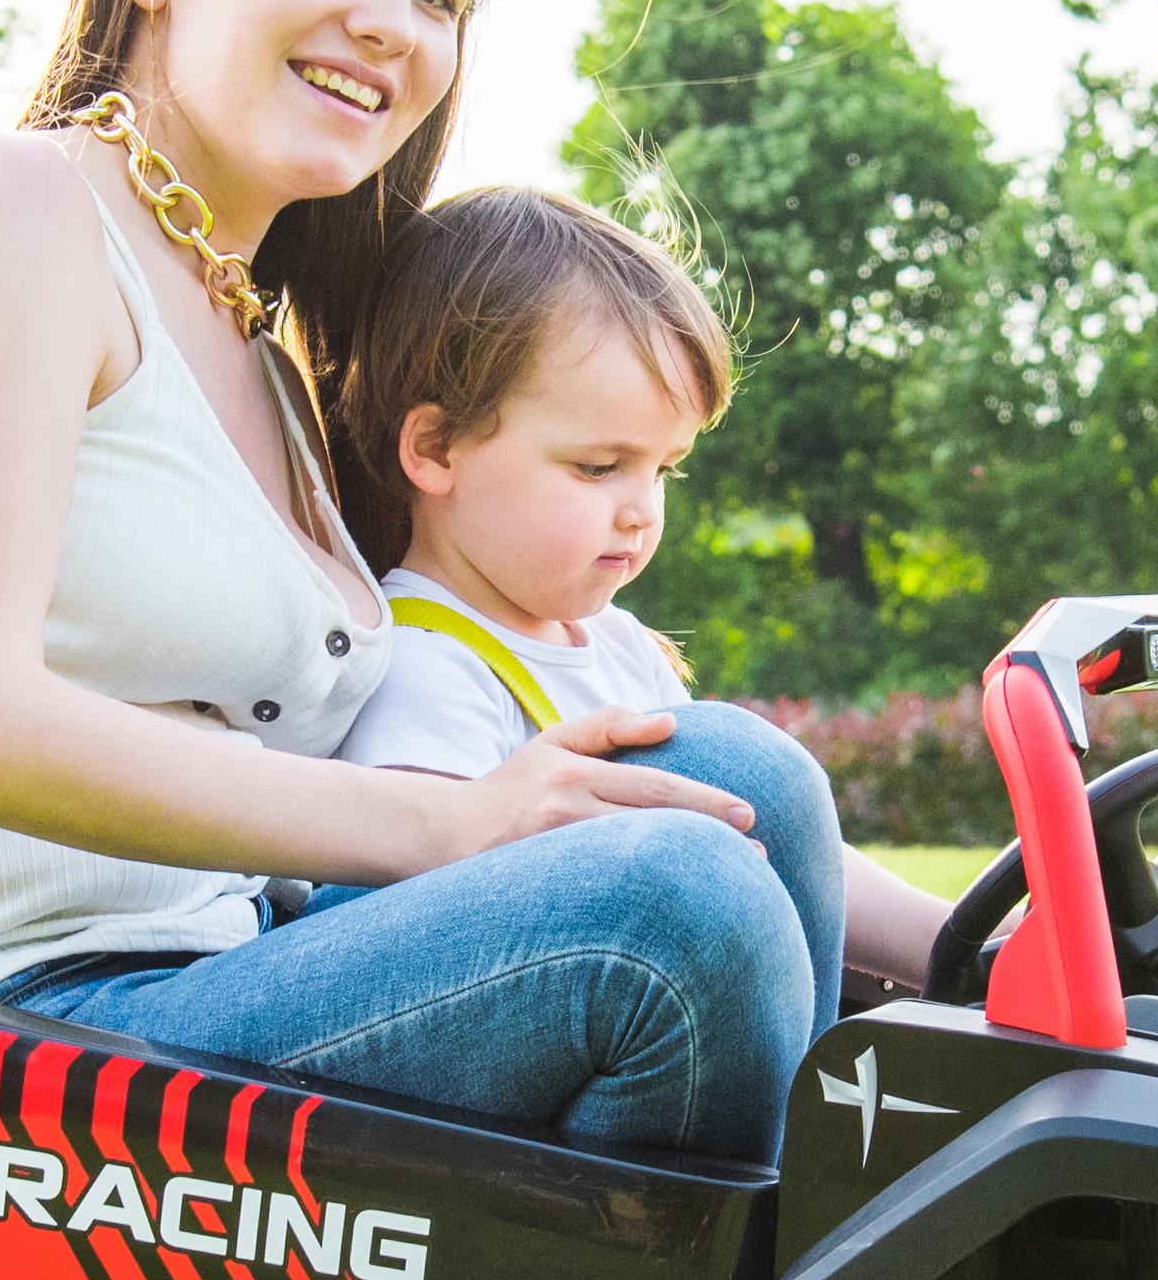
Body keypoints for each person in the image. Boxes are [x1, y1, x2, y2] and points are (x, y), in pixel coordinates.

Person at [0, 0, 836, 1161]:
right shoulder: (14, 208)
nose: (390, 18)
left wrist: (980, 939)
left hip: (209, 966)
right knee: (666, 915)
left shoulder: (267, 345)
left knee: (735, 779)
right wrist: (441, 829)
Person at [321, 183, 946, 1034]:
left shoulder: (620, 649)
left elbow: (769, 834)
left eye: (664, 469)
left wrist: (958, 945)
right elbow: (434, 944)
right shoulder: (424, 664)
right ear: (436, 448)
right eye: (596, 467)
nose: (641, 509)